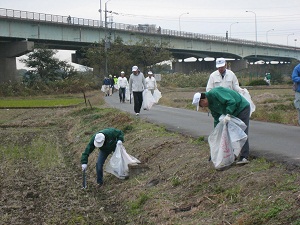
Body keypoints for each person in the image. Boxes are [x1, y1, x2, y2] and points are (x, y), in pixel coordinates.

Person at [199, 86, 251, 164]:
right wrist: (217, 131)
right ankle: (230, 155)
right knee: (228, 133)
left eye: (201, 105)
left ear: (203, 100)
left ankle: (244, 156)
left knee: (241, 132)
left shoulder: (215, 93)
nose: (202, 107)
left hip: (241, 108)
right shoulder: (211, 105)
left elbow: (231, 101)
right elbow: (217, 118)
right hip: (232, 113)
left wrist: (228, 113)